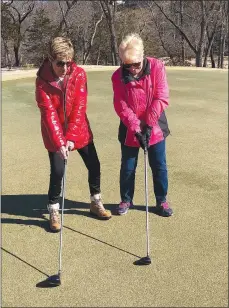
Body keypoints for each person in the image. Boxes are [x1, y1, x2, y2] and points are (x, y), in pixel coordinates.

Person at [36, 37, 111, 232]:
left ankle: (95, 201)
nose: (65, 67)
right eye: (60, 63)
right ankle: (53, 208)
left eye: (68, 63)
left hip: (79, 129)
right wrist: (61, 141)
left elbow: (79, 107)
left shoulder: (79, 74)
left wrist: (71, 137)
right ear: (50, 59)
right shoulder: (42, 81)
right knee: (58, 172)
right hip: (54, 133)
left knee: (94, 164)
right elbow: (48, 113)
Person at [111, 33, 173, 217]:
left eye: (136, 64)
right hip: (129, 127)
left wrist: (148, 126)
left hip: (155, 125)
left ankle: (161, 200)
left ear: (143, 56)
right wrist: (136, 127)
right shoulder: (117, 76)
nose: (132, 69)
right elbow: (120, 105)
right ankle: (126, 199)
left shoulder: (157, 67)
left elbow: (161, 97)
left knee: (159, 165)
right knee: (128, 167)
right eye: (127, 65)